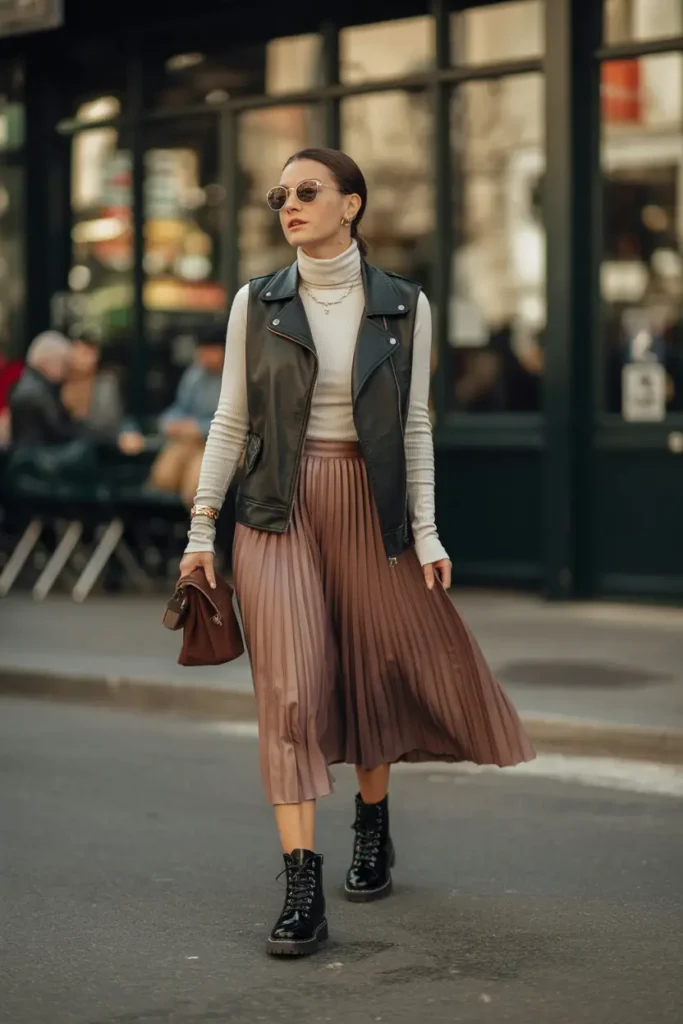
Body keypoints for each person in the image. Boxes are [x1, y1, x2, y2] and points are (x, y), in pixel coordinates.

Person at [179, 148, 535, 957]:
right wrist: (202, 530)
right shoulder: (253, 303)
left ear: (352, 205)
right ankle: (302, 878)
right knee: (292, 687)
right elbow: (229, 422)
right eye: (279, 195)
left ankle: (370, 820)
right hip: (275, 508)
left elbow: (414, 426)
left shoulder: (405, 306)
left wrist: (428, 528)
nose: (289, 205)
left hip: (367, 506)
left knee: (371, 668)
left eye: (307, 192)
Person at [148, 329, 225, 507]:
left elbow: (243, 419)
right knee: (162, 478)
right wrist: (169, 422)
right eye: (201, 351)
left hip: (223, 443)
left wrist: (200, 427)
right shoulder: (195, 374)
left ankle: (198, 532)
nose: (203, 356)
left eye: (209, 351)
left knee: (195, 487)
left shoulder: (238, 375)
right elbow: (181, 407)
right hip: (188, 440)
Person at [61, 335, 145, 453]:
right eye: (83, 353)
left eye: (92, 353)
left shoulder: (107, 384)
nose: (88, 359)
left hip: (102, 449)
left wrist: (129, 432)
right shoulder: (58, 383)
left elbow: (118, 420)